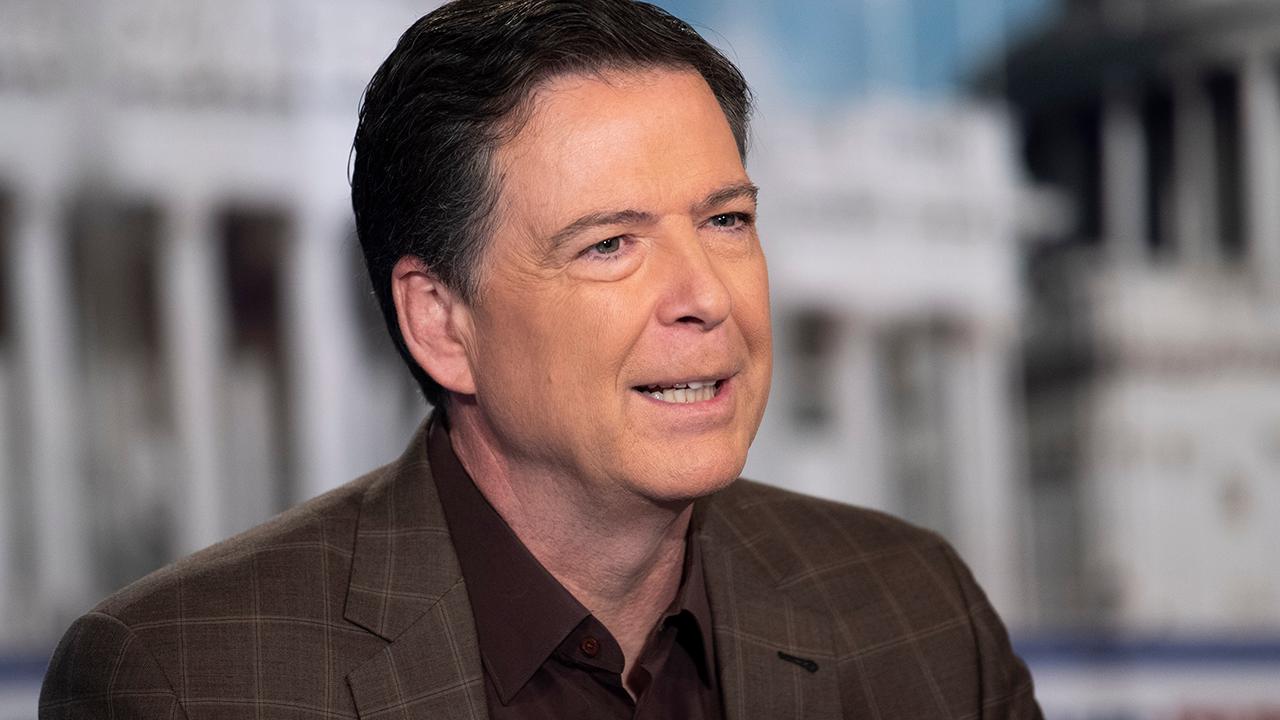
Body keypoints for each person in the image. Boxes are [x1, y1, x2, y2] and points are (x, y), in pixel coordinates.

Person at [39, 1, 1041, 718]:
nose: (706, 295)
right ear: (442, 324)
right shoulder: (181, 682)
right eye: (610, 244)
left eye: (726, 221)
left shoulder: (918, 617)